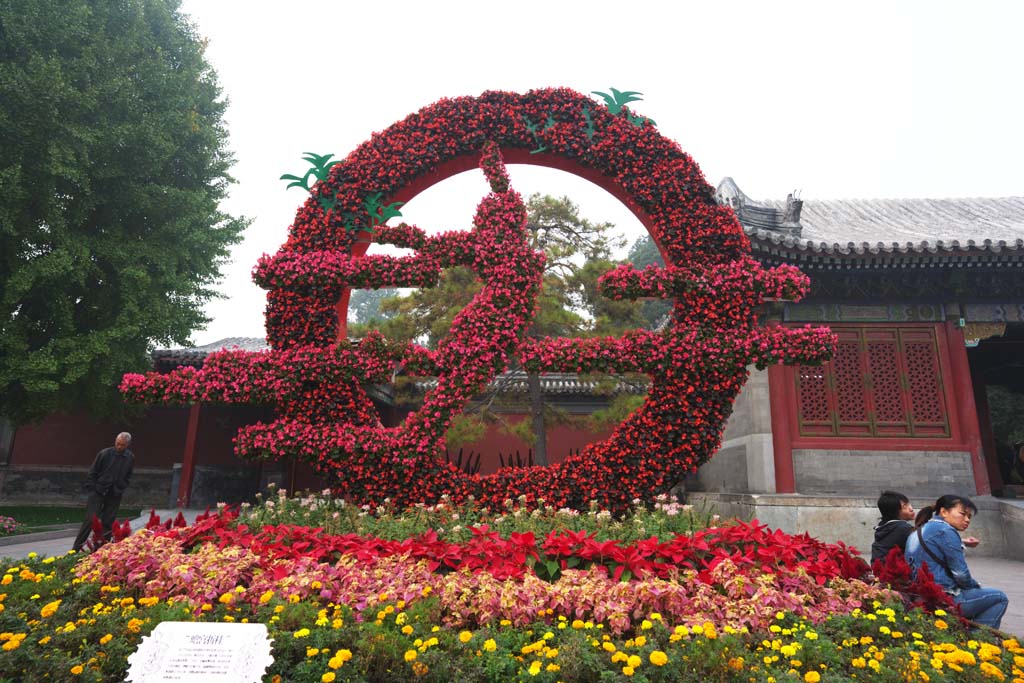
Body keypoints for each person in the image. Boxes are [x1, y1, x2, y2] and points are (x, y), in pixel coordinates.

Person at [905, 494, 1008, 629]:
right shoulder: (946, 530)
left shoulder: (918, 531)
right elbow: (960, 574)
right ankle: (979, 640)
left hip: (919, 596)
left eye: (969, 517)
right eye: (962, 514)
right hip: (944, 597)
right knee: (999, 597)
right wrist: (975, 586)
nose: (966, 520)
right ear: (943, 512)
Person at [72, 432, 135, 552]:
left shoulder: (130, 457)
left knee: (108, 521)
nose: (119, 447)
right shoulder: (105, 453)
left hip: (115, 492)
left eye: (122, 445)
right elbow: (93, 472)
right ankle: (75, 549)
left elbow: (128, 475)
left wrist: (122, 487)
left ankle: (101, 550)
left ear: (128, 444)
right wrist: (94, 488)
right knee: (91, 520)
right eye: (118, 444)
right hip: (98, 491)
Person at [870, 490, 916, 564]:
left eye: (909, 504)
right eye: (905, 506)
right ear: (894, 512)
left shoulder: (883, 527)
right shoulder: (903, 529)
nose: (911, 509)